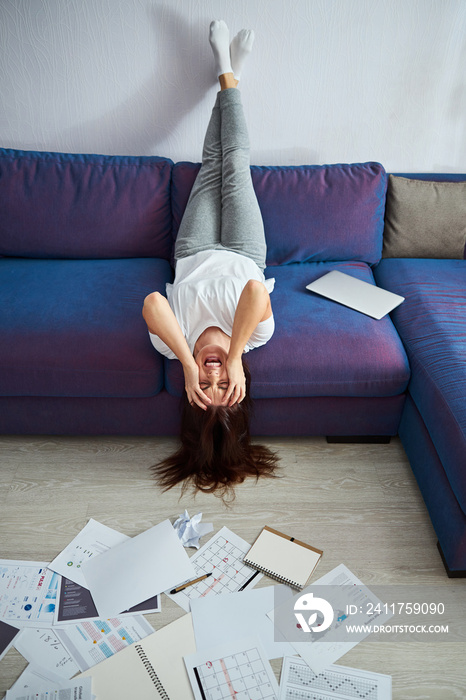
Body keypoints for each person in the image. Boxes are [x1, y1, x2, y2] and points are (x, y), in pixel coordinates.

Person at [142, 20, 279, 499]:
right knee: (235, 162)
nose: (215, 374)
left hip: (193, 247)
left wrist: (183, 360)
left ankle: (230, 72)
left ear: (190, 390)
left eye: (206, 388)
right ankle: (227, 71)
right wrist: (238, 354)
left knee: (211, 160)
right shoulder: (253, 338)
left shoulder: (175, 349)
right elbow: (255, 292)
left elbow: (152, 304)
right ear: (239, 385)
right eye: (226, 387)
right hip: (245, 248)